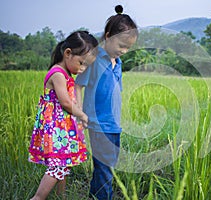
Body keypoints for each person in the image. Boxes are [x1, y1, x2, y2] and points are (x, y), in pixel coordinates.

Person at [75, 5, 138, 200]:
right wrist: (79, 114)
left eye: (128, 47)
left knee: (104, 167)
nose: (124, 51)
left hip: (113, 124)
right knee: (106, 169)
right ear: (108, 36)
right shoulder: (93, 59)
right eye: (121, 45)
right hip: (98, 122)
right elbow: (78, 85)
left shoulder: (117, 63)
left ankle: (94, 195)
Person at [28, 30, 98, 200]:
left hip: (61, 127)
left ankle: (61, 196)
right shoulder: (58, 73)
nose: (82, 69)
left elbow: (72, 99)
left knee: (63, 162)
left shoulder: (67, 74)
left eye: (86, 66)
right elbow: (66, 103)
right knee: (58, 165)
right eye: (81, 63)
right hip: (55, 128)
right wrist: (83, 116)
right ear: (68, 53)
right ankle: (38, 198)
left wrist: (79, 112)